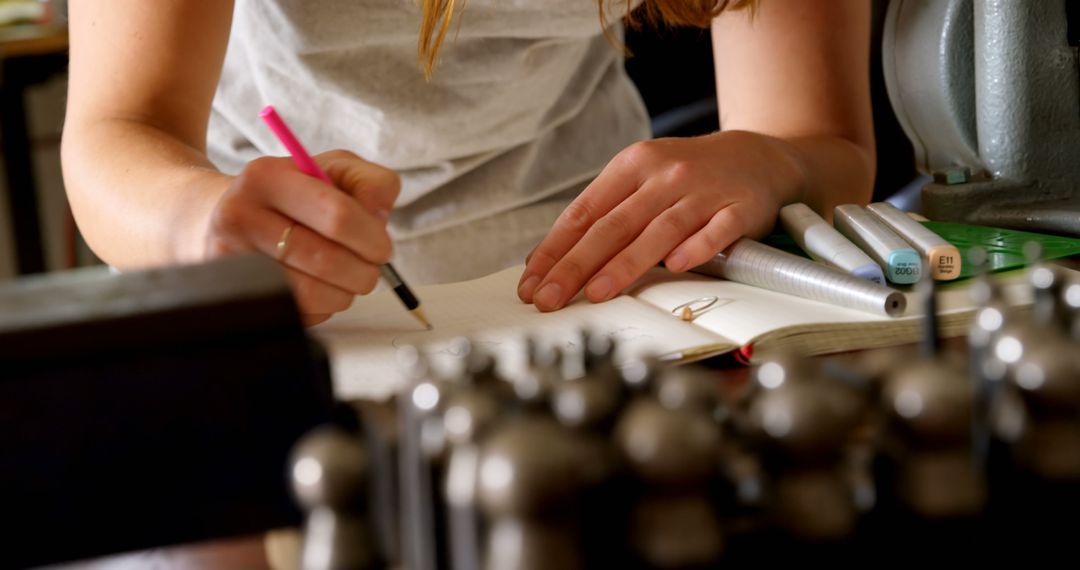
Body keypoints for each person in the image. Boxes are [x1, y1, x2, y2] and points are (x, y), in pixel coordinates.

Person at [62, 0, 873, 326]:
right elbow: (115, 134)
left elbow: (820, 140)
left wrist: (768, 162)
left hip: (613, 289)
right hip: (278, 299)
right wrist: (201, 225)